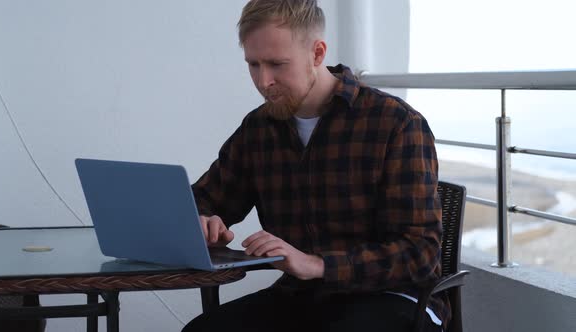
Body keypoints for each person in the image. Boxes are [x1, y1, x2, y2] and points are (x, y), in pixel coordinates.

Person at [183, 0, 447, 331]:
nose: (264, 81)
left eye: (277, 64)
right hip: (301, 296)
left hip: (393, 297)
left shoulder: (395, 123)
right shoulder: (259, 128)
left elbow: (419, 253)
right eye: (254, 64)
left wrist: (318, 265)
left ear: (318, 53)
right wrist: (203, 220)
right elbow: (205, 197)